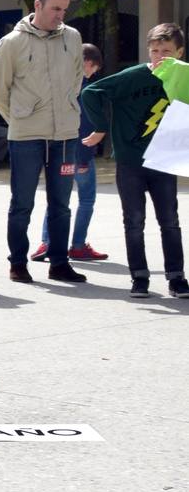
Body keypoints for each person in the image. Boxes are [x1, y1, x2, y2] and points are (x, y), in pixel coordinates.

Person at [80, 23, 189, 299]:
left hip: (164, 160)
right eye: (154, 51)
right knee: (134, 221)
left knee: (170, 221)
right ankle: (139, 277)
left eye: (167, 51)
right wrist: (102, 127)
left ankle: (176, 277)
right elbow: (91, 93)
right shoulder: (134, 76)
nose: (160, 56)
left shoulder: (183, 79)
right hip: (130, 160)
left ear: (180, 52)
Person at [0, 0, 87, 284]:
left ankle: (60, 262)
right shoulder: (11, 42)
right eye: (56, 8)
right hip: (26, 137)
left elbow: (75, 80)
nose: (61, 15)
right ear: (38, 5)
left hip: (65, 136)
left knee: (61, 203)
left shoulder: (73, 38)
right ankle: (18, 262)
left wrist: (68, 108)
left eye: (64, 9)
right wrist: (19, 119)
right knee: (22, 203)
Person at [33, 44, 109, 262]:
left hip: (59, 150)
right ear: (87, 63)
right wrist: (84, 158)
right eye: (94, 67)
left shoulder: (59, 86)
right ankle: (77, 245)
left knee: (57, 199)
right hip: (80, 152)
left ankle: (46, 243)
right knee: (86, 199)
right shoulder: (88, 89)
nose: (94, 72)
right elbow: (85, 125)